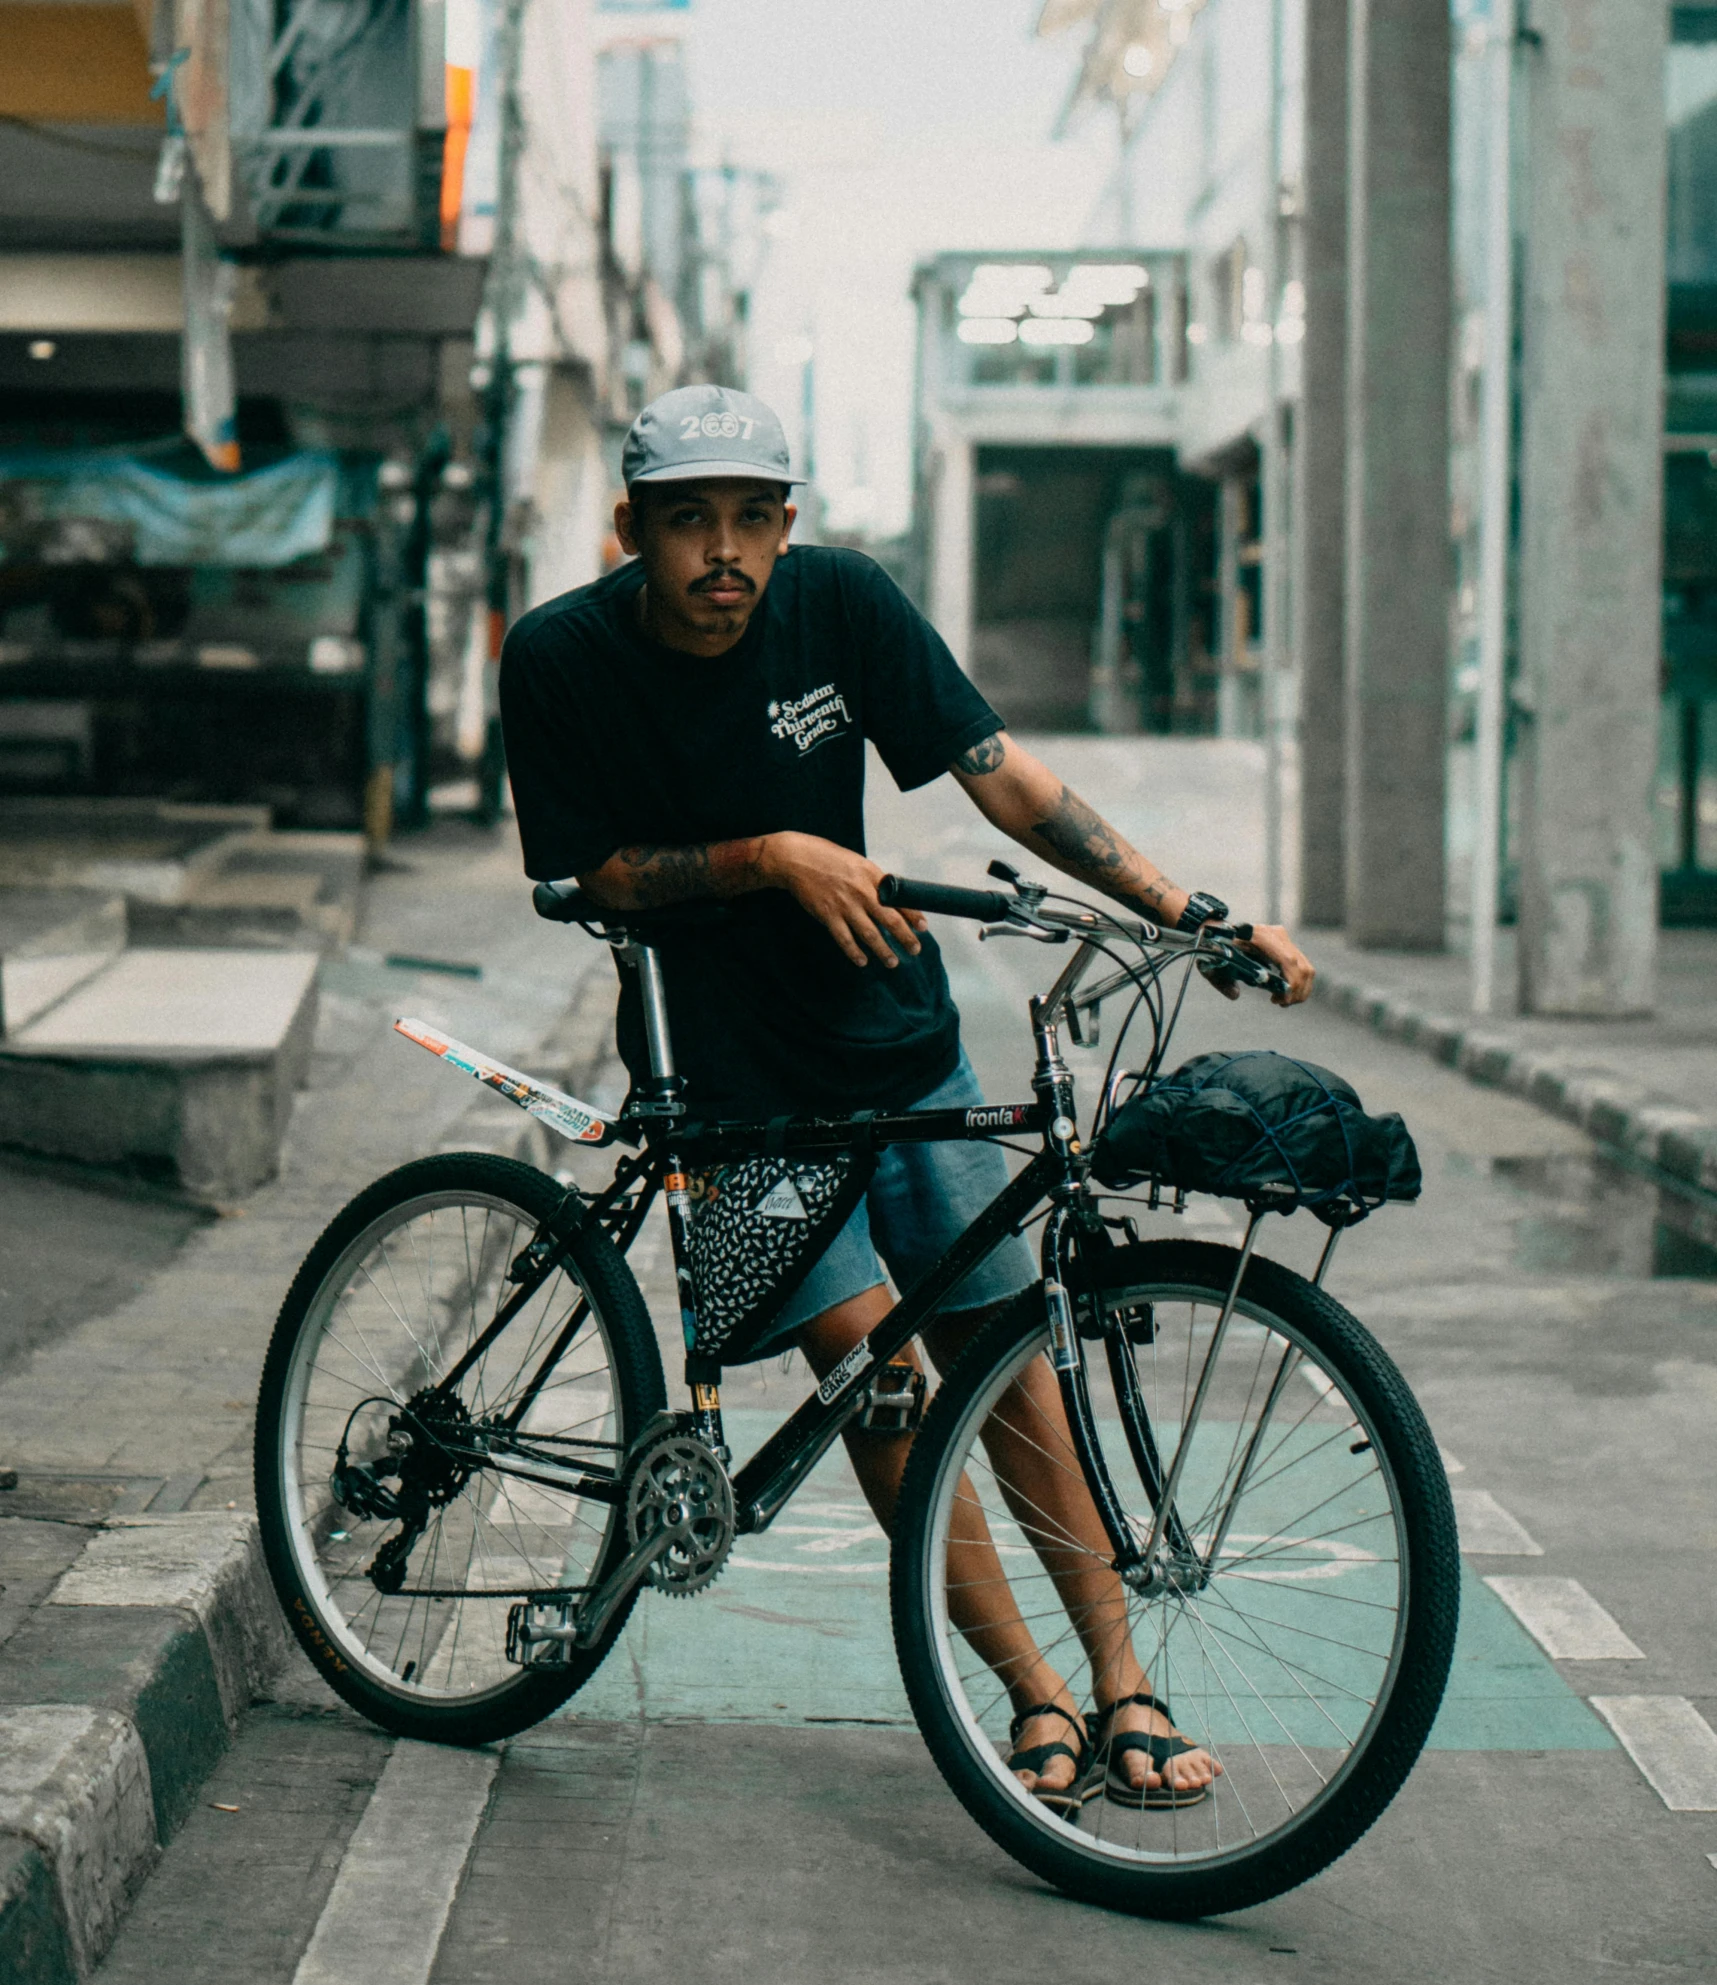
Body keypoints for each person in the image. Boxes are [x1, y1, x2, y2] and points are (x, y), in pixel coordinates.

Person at [501, 384, 1315, 1813]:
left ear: (789, 523)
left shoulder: (846, 606)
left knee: (1008, 1362)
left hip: (902, 1048)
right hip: (733, 1083)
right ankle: (1032, 1692)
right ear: (631, 529)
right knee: (879, 1382)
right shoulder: (558, 657)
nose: (723, 554)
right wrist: (771, 856)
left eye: (753, 517)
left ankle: (1125, 1681)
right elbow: (588, 876)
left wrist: (1192, 912)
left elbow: (1008, 783)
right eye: (688, 522)